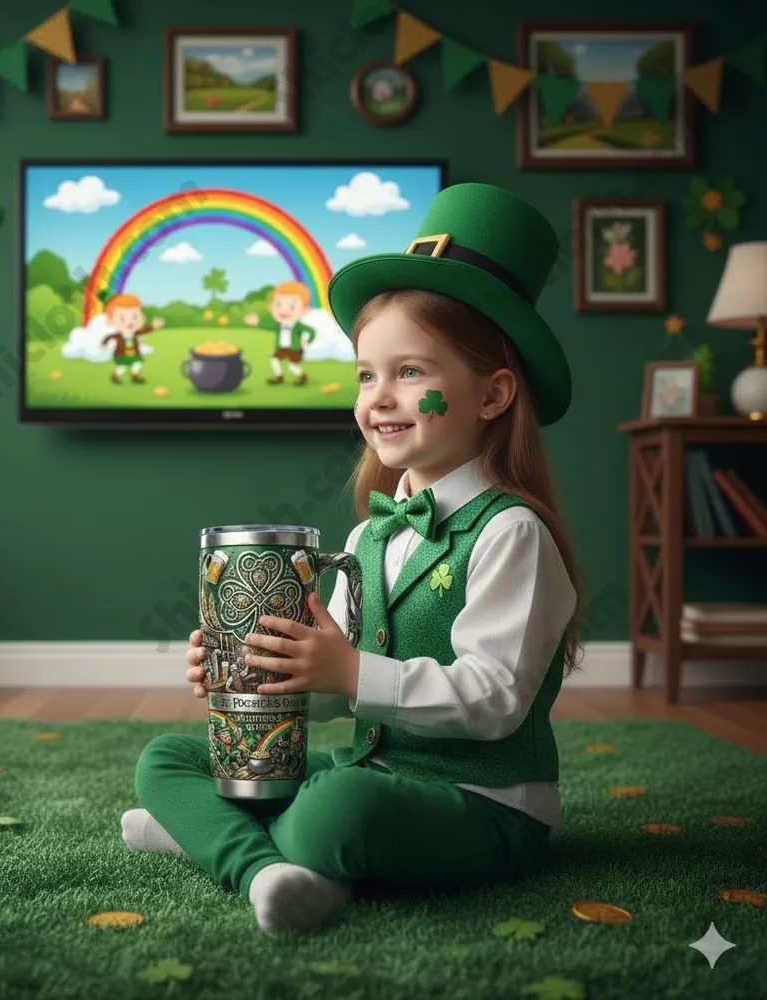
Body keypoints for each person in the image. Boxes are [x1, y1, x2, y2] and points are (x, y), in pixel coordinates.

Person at [121, 183, 585, 934]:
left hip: (487, 809)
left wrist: (349, 672)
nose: (379, 397)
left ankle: (221, 844)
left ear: (495, 393)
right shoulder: (371, 537)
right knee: (171, 758)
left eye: (411, 372)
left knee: (336, 805)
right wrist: (265, 669)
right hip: (380, 775)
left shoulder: (511, 534)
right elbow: (336, 690)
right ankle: (275, 869)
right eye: (367, 374)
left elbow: (496, 699)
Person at [243, 281, 315, 385]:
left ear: (304, 310)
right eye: (279, 304)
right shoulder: (278, 325)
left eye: (292, 307)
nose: (284, 310)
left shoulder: (298, 326)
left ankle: (302, 375)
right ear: (271, 307)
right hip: (281, 348)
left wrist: (307, 341)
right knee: (274, 360)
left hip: (294, 349)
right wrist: (257, 322)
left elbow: (311, 331)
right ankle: (279, 376)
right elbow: (267, 325)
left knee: (292, 366)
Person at [100, 293, 165, 384]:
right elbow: (107, 338)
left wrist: (154, 326)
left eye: (135, 317)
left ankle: (135, 376)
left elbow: (144, 330)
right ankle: (115, 376)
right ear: (110, 320)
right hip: (121, 355)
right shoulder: (117, 335)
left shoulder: (135, 333)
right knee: (122, 367)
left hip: (134, 354)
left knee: (137, 363)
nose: (130, 322)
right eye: (122, 318)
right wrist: (103, 345)